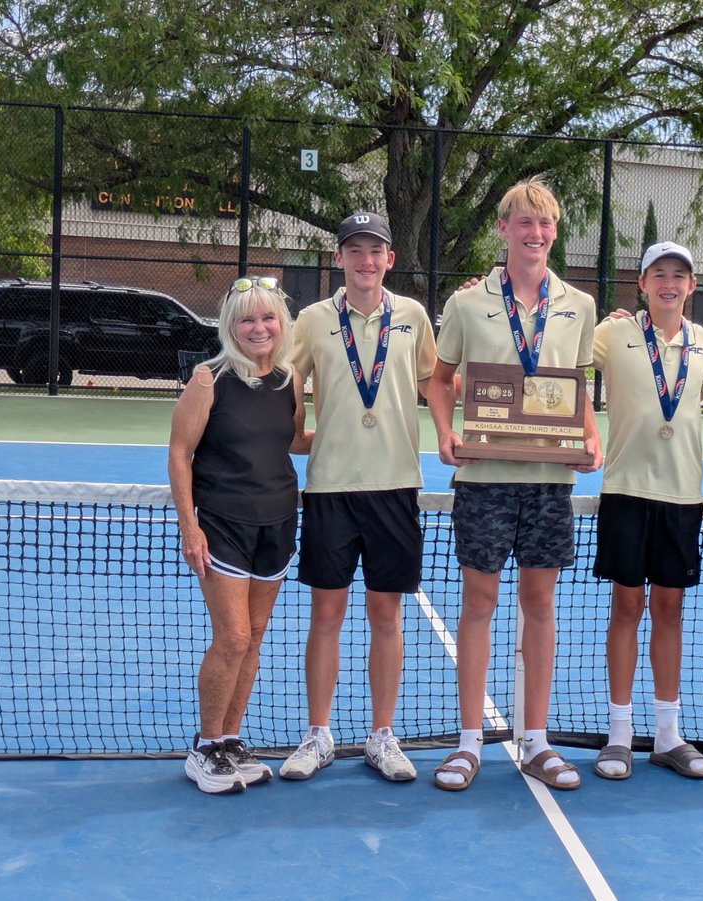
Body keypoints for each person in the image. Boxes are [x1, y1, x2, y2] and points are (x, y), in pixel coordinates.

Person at [426, 176, 602, 792]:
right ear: (503, 229)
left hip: (549, 482)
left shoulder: (578, 305)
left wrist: (591, 438)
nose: (535, 232)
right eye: (524, 222)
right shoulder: (468, 304)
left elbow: (575, 386)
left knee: (541, 606)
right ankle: (469, 741)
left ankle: (537, 741)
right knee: (479, 604)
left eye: (544, 222)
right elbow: (439, 379)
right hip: (485, 480)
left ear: (554, 231)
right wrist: (445, 431)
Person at [279, 212, 437, 782]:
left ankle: (382, 735)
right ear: (339, 258)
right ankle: (318, 734)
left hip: (395, 487)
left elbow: (436, 383)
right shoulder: (312, 320)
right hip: (330, 488)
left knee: (385, 615)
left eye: (375, 251)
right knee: (326, 614)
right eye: (355, 250)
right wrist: (294, 434)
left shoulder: (413, 317)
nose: (365, 261)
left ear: (390, 259)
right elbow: (287, 380)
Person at [169, 276, 311, 794]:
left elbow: (292, 440)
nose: (258, 328)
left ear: (281, 323)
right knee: (232, 638)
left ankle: (229, 740)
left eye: (267, 317)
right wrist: (190, 526)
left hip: (278, 523)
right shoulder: (208, 380)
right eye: (247, 319)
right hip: (223, 525)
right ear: (231, 325)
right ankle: (205, 747)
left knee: (253, 636)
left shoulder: (290, 380)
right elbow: (180, 453)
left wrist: (358, 427)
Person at [590, 242, 703, 780]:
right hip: (625, 491)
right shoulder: (611, 334)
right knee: (626, 607)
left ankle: (667, 734)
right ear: (641, 284)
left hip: (683, 496)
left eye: (678, 275)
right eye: (658, 274)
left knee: (669, 611)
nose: (669, 283)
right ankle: (619, 734)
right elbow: (551, 349)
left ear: (691, 286)